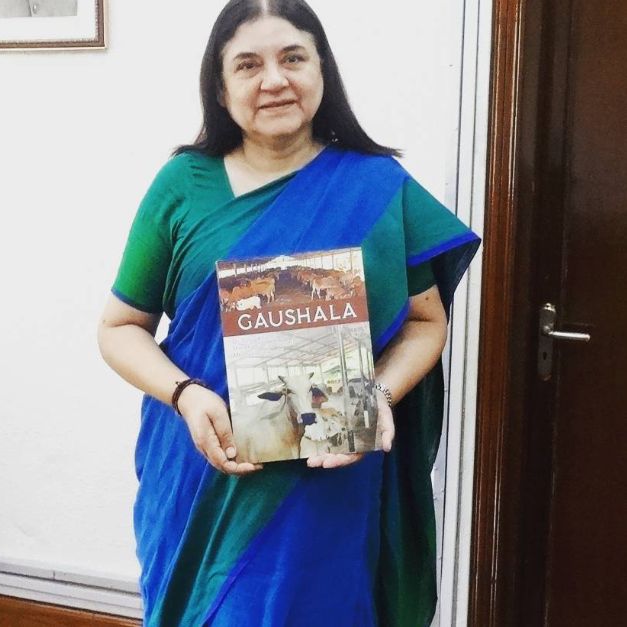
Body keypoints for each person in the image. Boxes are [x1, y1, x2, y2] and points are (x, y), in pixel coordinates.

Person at [97, 1, 481, 625]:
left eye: (293, 58)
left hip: (331, 480)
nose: (273, 79)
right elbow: (119, 329)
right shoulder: (183, 185)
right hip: (205, 475)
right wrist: (187, 394)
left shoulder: (376, 187)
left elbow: (424, 321)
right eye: (247, 64)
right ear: (220, 90)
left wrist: (376, 394)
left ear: (322, 72)